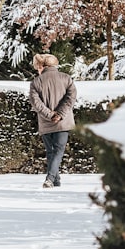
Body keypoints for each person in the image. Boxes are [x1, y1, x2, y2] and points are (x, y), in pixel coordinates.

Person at [29, 53, 77, 188]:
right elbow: (71, 98)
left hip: (46, 123)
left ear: (42, 66)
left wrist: (49, 115)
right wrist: (60, 114)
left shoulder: (36, 82)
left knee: (51, 151)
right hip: (63, 122)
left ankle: (54, 180)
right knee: (58, 150)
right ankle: (51, 179)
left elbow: (36, 103)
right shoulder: (67, 79)